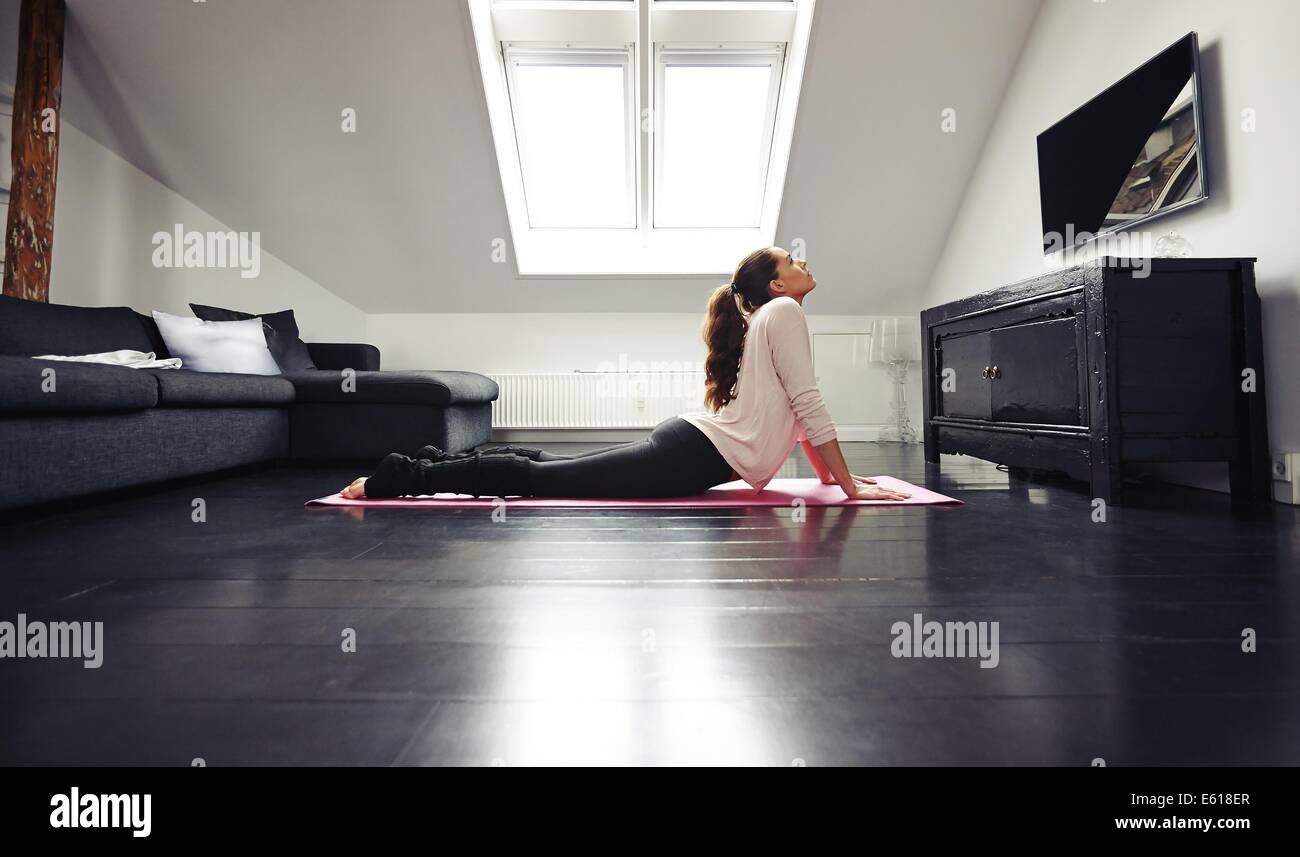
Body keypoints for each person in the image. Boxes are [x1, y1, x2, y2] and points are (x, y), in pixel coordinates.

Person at [341, 247, 910, 502]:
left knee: (553, 468)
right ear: (777, 285)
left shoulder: (777, 316)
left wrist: (842, 481)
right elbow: (810, 407)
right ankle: (407, 477)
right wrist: (851, 484)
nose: (804, 263)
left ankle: (435, 463)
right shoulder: (784, 314)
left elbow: (804, 418)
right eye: (792, 261)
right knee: (547, 484)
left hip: (692, 445)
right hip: (690, 454)